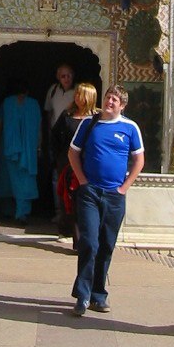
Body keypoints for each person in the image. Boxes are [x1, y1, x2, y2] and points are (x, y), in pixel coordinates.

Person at [67, 84, 144, 316]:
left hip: (114, 196)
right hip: (90, 193)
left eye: (115, 100)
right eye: (108, 97)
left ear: (122, 106)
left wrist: (123, 188)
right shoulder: (89, 123)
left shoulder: (130, 128)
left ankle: (98, 294)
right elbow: (73, 153)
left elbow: (139, 160)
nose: (110, 102)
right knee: (89, 242)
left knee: (107, 244)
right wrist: (82, 180)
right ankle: (82, 294)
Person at [52, 82, 99, 244]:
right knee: (68, 198)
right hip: (67, 164)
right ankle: (66, 230)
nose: (77, 97)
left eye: (81, 94)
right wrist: (59, 158)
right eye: (76, 94)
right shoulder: (67, 116)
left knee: (84, 200)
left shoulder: (96, 119)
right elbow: (55, 137)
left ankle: (82, 238)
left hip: (88, 165)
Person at [0, 80, 42, 224]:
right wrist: (39, 146)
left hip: (9, 148)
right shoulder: (33, 104)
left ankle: (8, 211)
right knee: (23, 180)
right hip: (27, 151)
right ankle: (22, 212)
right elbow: (39, 127)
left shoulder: (7, 103)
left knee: (7, 178)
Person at [44, 64, 76, 218]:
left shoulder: (77, 92)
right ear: (58, 77)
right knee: (56, 174)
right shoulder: (53, 91)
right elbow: (49, 113)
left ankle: (71, 213)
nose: (66, 78)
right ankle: (59, 211)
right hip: (56, 138)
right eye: (63, 76)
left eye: (69, 75)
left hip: (72, 138)